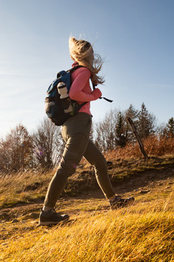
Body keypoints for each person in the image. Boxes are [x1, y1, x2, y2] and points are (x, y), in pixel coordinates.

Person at [40, 37, 134, 226]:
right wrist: (94, 95)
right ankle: (47, 212)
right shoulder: (82, 71)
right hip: (79, 126)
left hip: (69, 127)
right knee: (65, 169)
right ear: (89, 56)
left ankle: (113, 201)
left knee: (99, 161)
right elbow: (74, 94)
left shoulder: (72, 72)